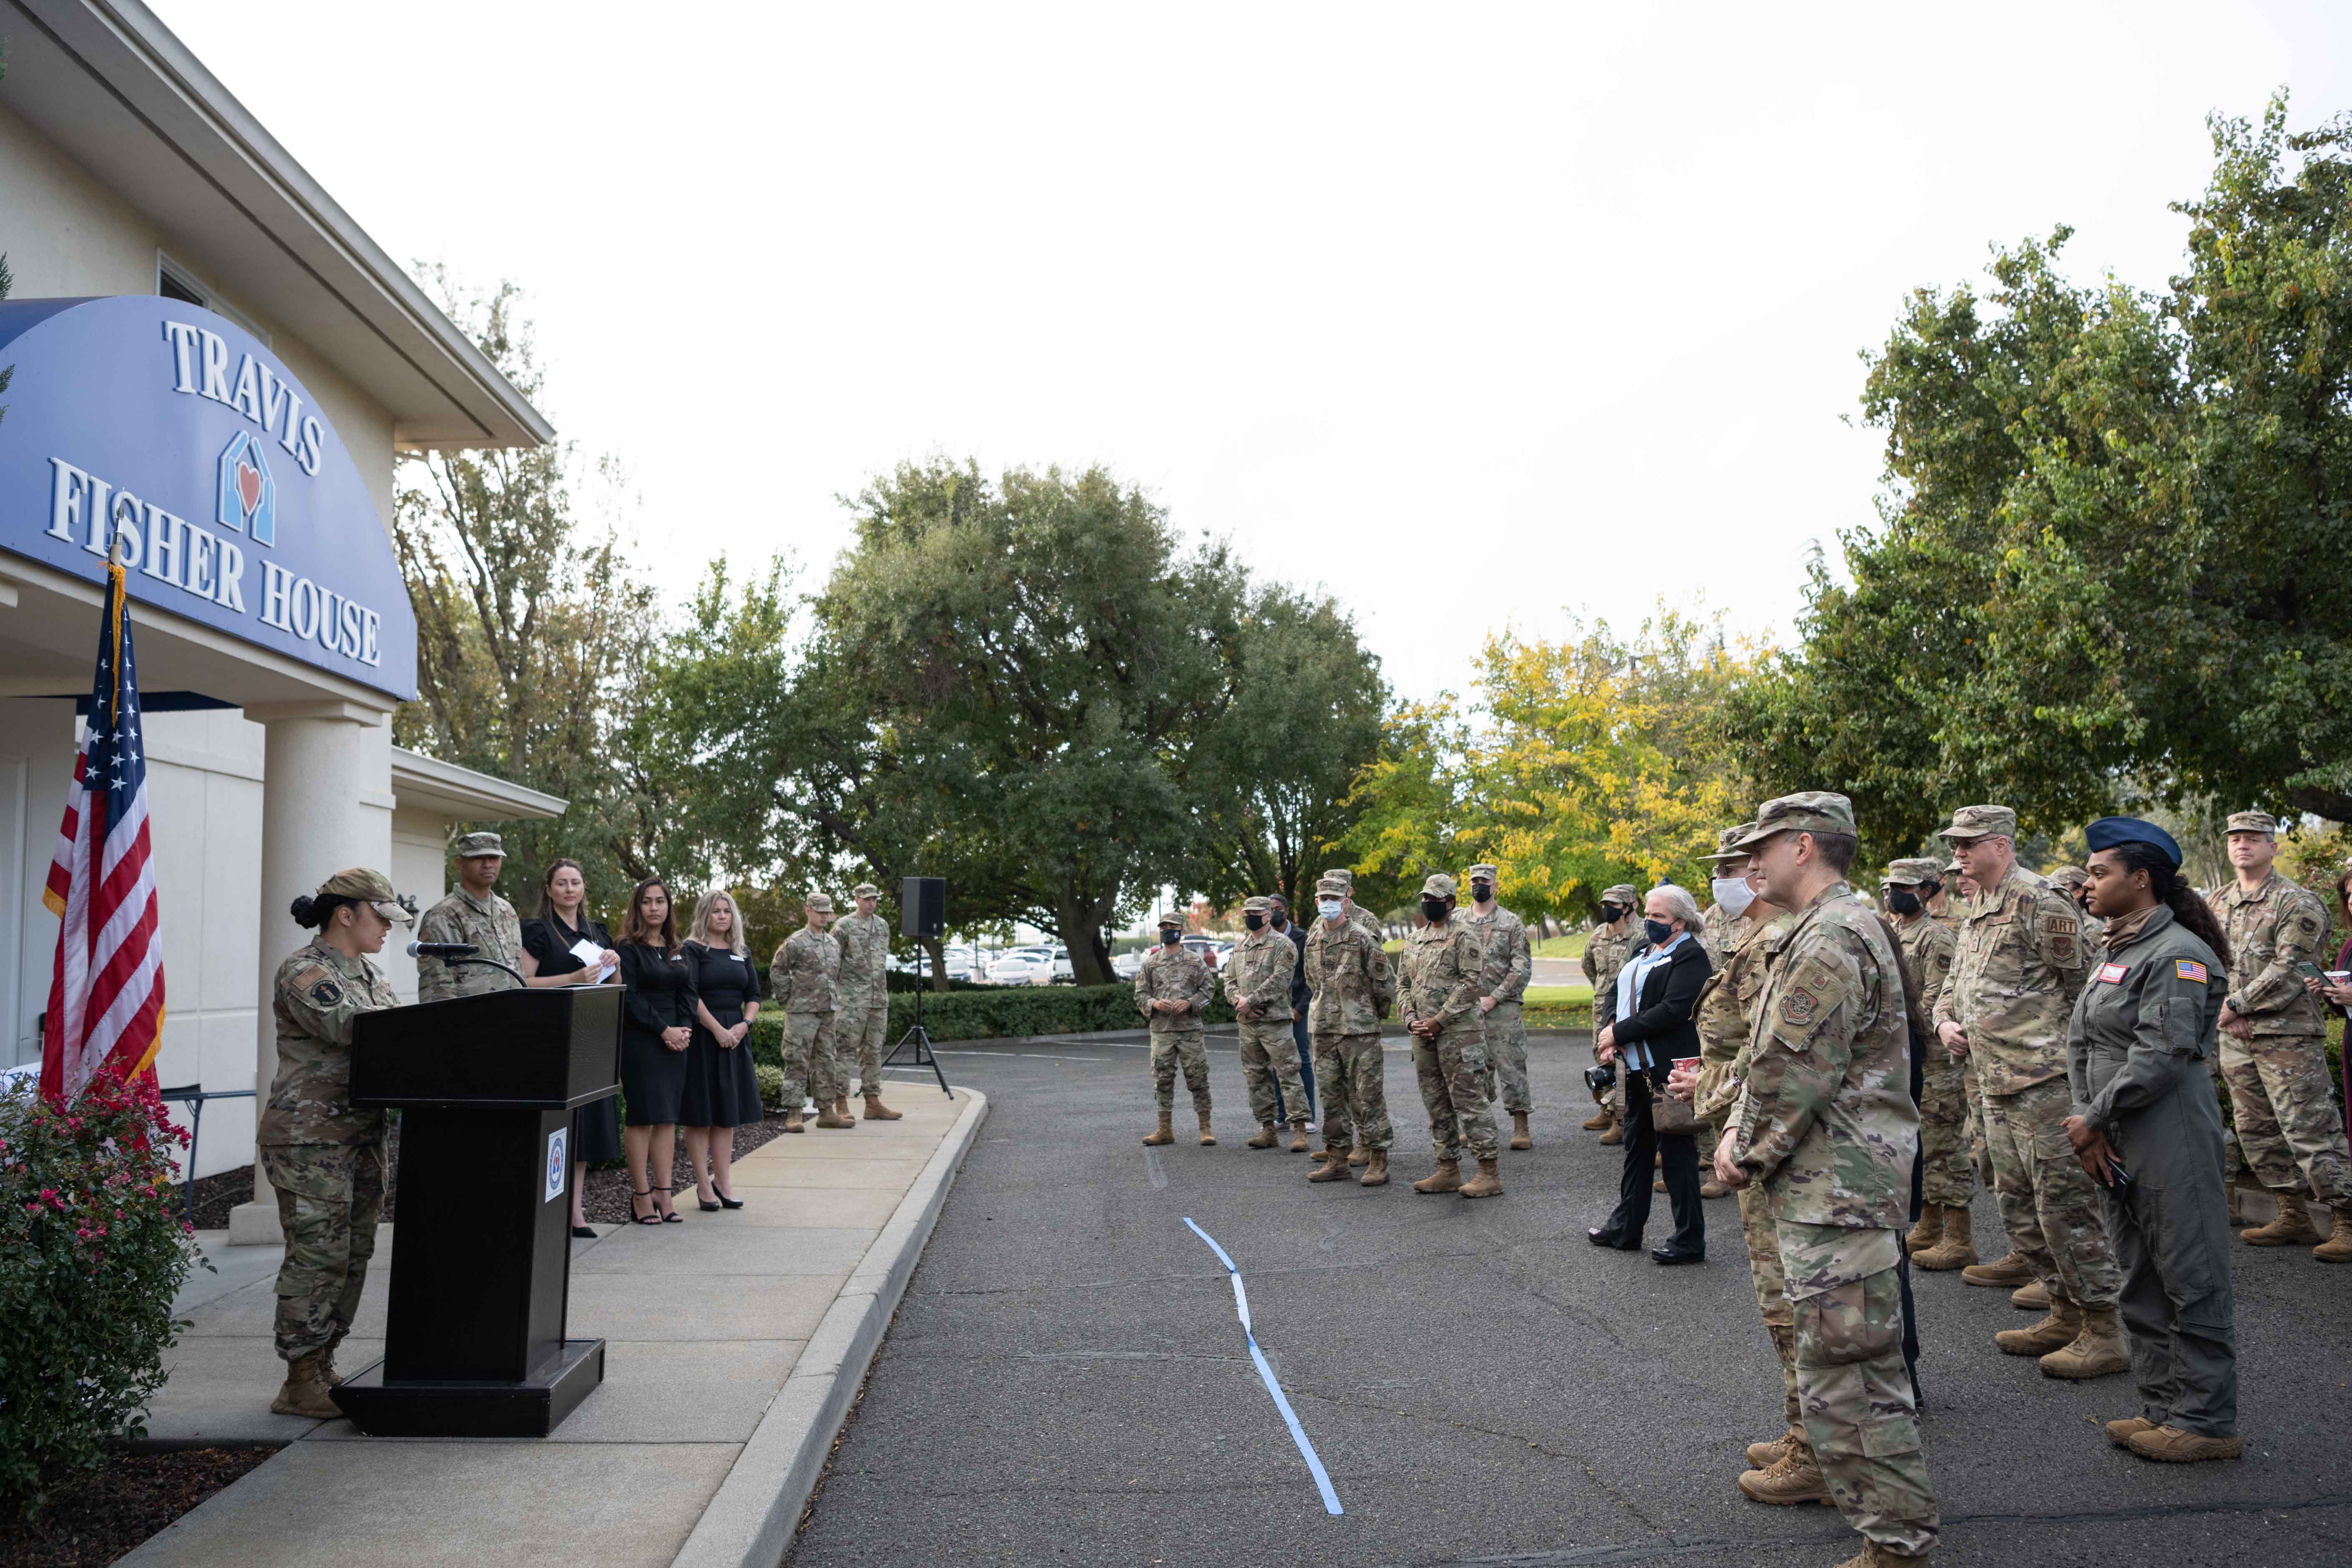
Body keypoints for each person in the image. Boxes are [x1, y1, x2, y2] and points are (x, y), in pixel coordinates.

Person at [1713, 794, 1939, 1568]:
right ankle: (1888, 1532)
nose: (1750, 864)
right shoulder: (1831, 926)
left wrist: (1743, 1148)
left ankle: (1898, 1546)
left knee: (1855, 1379)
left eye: (1763, 848)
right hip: (1832, 1187)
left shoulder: (1832, 936)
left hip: (1837, 1193)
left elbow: (1791, 1068)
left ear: (1804, 847)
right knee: (1842, 1369)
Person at [2065, 818, 2244, 1463]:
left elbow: (2161, 1056)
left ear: (2140, 880)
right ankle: (2163, 1406)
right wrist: (2087, 1121)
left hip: (2168, 1127)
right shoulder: (2116, 950)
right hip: (2113, 1128)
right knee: (2139, 1271)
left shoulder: (2176, 954)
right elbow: (2082, 1042)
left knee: (2190, 1273)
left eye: (2100, 873)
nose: (2087, 884)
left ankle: (2206, 1421)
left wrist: (2093, 1118)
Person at [1933, 805, 2125, 1378]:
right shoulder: (1978, 907)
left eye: (1970, 843)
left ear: (2002, 845)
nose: (1959, 853)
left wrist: (2088, 1083)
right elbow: (1953, 986)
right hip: (1991, 1084)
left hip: (2045, 1086)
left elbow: (2087, 991)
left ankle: (2105, 1329)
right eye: (1955, 843)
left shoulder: (2041, 902)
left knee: (2066, 1210)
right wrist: (1945, 1022)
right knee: (2017, 1209)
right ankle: (2064, 1312)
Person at [1671, 828, 1812, 1482]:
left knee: (1795, 1302)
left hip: (1773, 1135)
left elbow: (1771, 1057)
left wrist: (1709, 1087)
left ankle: (1817, 1449)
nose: (1725, 878)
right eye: (1725, 867)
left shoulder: (1782, 939)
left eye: (1733, 866)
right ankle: (1803, 1429)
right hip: (1750, 1124)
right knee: (1779, 1300)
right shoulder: (1749, 936)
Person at [260, 869, 412, 1417]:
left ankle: (324, 1361)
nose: (389, 929)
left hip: (361, 1134)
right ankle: (299, 1378)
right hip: (310, 1141)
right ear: (346, 914)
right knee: (317, 1256)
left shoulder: (370, 974)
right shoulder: (305, 971)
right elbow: (356, 1028)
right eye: (381, 917)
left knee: (353, 1254)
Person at [2208, 810, 2352, 1260]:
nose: (2242, 844)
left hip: (2286, 1037)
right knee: (2255, 1128)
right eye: (2235, 838)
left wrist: (2237, 1005)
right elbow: (2205, 961)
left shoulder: (2297, 901)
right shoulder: (2217, 900)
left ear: (2273, 846)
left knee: (2310, 1127)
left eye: (2253, 838)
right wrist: (2227, 1010)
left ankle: (2347, 1219)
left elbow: (2289, 968)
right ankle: (2293, 1214)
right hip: (2235, 1033)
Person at [1590, 884, 1711, 1261]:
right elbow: (1615, 993)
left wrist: (1619, 1034)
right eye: (1647, 914)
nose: (1649, 921)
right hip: (1634, 1069)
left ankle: (1689, 1240)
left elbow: (1673, 1010)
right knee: (1636, 1151)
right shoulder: (1644, 949)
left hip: (1669, 1071)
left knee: (1677, 1156)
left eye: (1658, 916)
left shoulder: (1691, 956)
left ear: (1681, 922)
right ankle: (1627, 1228)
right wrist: (1611, 1030)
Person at [519, 858, 623, 1239]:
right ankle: (546, 1210)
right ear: (549, 890)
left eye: (575, 882)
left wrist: (614, 963)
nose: (569, 889)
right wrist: (573, 978)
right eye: (561, 883)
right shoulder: (537, 930)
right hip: (552, 1036)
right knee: (554, 1125)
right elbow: (523, 982)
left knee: (584, 1128)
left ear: (583, 888)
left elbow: (615, 986)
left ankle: (575, 1212)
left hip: (591, 1036)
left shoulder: (597, 931)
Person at [1882, 858, 1972, 1271]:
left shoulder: (1937, 937)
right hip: (1907, 1055)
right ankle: (1931, 1224)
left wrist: (1894, 1022)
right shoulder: (1894, 932)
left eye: (1903, 888)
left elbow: (1938, 997)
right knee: (1920, 1143)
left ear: (1924, 891)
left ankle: (1959, 1237)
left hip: (1934, 1057)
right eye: (1891, 887)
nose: (1893, 894)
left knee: (1944, 1146)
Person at [1401, 874, 1503, 1198]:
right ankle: (1448, 1169)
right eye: (1425, 898)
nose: (1428, 903)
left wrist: (1440, 1020)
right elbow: (1403, 985)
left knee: (1470, 1102)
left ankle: (1489, 1173)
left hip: (1459, 1034)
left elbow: (1471, 984)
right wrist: (1411, 1019)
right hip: (1423, 1034)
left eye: (1435, 899)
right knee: (1436, 1104)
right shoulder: (1414, 939)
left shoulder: (1463, 935)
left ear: (1450, 903)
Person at [1304, 874, 1398, 1186]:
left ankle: (1378, 1158)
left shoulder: (1362, 937)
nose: (1329, 904)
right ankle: (1337, 1159)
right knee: (1331, 1097)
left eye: (1335, 899)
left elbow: (1385, 984)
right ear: (1317, 902)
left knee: (1368, 1097)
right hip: (1324, 1029)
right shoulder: (1313, 940)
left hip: (1359, 1031)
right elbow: (1312, 982)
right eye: (1324, 899)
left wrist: (1368, 1015)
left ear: (1346, 902)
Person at [618, 878, 698, 1223]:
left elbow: (689, 993)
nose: (654, 908)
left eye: (660, 901)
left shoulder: (677, 948)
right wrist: (664, 1030)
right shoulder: (627, 948)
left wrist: (684, 1030)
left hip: (676, 1039)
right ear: (638, 907)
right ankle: (641, 1196)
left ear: (668, 907)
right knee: (642, 1116)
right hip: (641, 1038)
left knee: (667, 1117)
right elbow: (630, 997)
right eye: (647, 902)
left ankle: (664, 1194)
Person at [681, 890, 764, 1211]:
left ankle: (724, 1183)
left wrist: (745, 1025)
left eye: (727, 911)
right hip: (704, 1037)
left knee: (726, 1114)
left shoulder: (741, 951)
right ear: (705, 914)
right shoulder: (692, 949)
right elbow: (690, 994)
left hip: (736, 1036)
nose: (722, 916)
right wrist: (717, 1029)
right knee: (701, 1114)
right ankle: (704, 1185)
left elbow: (754, 994)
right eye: (716, 911)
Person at [1225, 896, 1311, 1151]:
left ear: (1267, 916)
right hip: (1248, 1023)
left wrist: (1250, 1001)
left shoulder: (1283, 944)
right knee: (1256, 1076)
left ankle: (1299, 1129)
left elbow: (1281, 979)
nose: (1250, 918)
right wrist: (1239, 1002)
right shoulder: (1240, 947)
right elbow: (1229, 981)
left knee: (1288, 1073)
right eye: (1247, 914)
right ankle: (1268, 1129)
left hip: (1275, 1022)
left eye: (1255, 913)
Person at [1462, 863, 1535, 1151]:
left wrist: (1495, 997)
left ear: (1495, 887)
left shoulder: (1511, 922)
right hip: (1467, 1010)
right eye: (1474, 881)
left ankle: (1521, 1126)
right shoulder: (1458, 920)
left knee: (1511, 1067)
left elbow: (1521, 967)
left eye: (1484, 882)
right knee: (1471, 1069)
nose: (1478, 886)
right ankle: (1476, 1126)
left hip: (1503, 1009)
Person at [1136, 912, 1218, 1145]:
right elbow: (1140, 994)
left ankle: (1206, 1128)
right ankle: (1165, 1130)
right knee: (1163, 1080)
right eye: (1163, 927)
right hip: (1162, 1032)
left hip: (1190, 1031)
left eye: (1171, 927)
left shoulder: (1195, 961)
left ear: (1181, 931)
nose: (1167, 931)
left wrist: (1191, 1003)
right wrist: (1154, 1004)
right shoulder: (1151, 963)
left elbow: (1209, 990)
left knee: (1198, 1079)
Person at [414, 831, 524, 1003]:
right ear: (460, 864)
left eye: (494, 858)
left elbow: (518, 969)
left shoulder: (506, 911)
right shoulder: (443, 916)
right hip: (471, 1017)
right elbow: (437, 987)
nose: (488, 865)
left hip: (517, 1013)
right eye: (478, 858)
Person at [772, 893, 851, 1130]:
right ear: (808, 911)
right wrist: (789, 999)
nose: (825, 916)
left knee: (827, 1062)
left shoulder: (833, 944)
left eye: (828, 912)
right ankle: (794, 1114)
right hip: (802, 1013)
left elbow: (835, 976)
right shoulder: (796, 942)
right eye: (820, 912)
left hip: (827, 1012)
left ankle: (826, 1112)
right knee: (797, 1061)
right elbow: (778, 970)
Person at [832, 882, 901, 1121]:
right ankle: (841, 1103)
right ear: (857, 900)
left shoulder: (882, 926)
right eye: (867, 899)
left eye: (874, 899)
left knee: (873, 1052)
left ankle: (873, 1103)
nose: (872, 903)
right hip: (851, 1002)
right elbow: (832, 962)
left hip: (878, 1000)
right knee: (845, 1052)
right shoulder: (844, 926)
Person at [1581, 885, 1643, 1141]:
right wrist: (1602, 990)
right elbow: (1588, 966)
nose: (1608, 909)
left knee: (1623, 1061)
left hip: (1630, 1008)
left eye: (1614, 905)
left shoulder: (1641, 933)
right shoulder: (1598, 934)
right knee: (1602, 1057)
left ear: (1629, 907)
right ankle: (1606, 1112)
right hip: (1602, 1008)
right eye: (1605, 904)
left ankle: (1621, 1120)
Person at [1266, 894, 1317, 1126]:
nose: (1274, 913)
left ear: (1286, 911)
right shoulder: (1265, 938)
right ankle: (1283, 1116)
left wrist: (1300, 1009)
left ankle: (1308, 1116)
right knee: (1278, 1062)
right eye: (1270, 909)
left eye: (1278, 908)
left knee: (1302, 1061)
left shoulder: (1302, 938)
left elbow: (1311, 977)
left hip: (1297, 1010)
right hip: (1273, 1011)